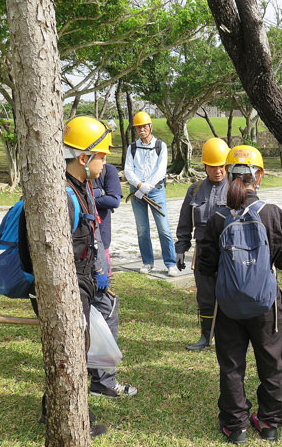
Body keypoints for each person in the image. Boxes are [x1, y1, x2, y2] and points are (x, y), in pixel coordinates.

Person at [21, 115, 114, 437]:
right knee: (70, 357)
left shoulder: (80, 186)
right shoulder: (59, 195)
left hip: (80, 287)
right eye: (102, 155)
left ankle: (58, 411)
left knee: (73, 353)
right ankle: (68, 418)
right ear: (84, 158)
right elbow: (31, 250)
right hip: (64, 292)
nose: (105, 162)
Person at [199, 145, 282, 444]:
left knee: (231, 365)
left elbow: (206, 264)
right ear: (259, 175)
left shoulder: (217, 218)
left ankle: (235, 425)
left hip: (227, 304)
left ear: (228, 175)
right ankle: (269, 423)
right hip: (267, 305)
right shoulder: (272, 213)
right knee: (271, 363)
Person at [175, 137, 230, 351]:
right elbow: (184, 222)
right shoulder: (195, 190)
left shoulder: (236, 188)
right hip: (204, 251)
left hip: (228, 251)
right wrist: (181, 248)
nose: (218, 171)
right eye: (213, 167)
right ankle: (206, 336)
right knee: (206, 296)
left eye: (222, 166)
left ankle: (229, 337)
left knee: (229, 294)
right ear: (205, 165)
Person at [88, 162, 137, 398]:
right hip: (88, 267)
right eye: (100, 154)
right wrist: (98, 194)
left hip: (91, 259)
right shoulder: (74, 189)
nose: (104, 159)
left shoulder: (75, 184)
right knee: (106, 312)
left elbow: (114, 199)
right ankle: (103, 381)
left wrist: (95, 194)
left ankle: (93, 374)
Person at [124, 111, 178, 276]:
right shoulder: (132, 148)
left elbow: (161, 170)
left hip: (156, 190)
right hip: (137, 191)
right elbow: (127, 170)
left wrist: (147, 186)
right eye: (138, 127)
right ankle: (147, 262)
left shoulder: (160, 146)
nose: (142, 130)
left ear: (150, 127)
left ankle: (170, 263)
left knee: (163, 228)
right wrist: (139, 185)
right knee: (142, 229)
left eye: (144, 126)